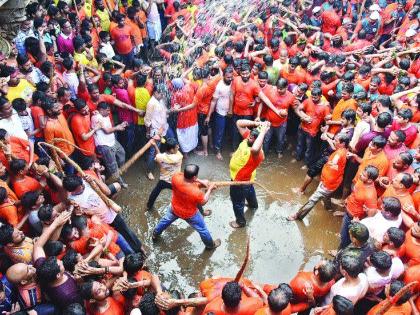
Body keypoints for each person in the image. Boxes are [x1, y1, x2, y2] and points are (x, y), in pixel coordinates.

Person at [152, 164, 221, 250]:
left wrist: (201, 181)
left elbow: (189, 181)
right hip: (189, 214)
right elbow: (203, 201)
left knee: (166, 220)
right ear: (194, 177)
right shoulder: (196, 192)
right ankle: (210, 245)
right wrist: (209, 189)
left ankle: (155, 234)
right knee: (202, 229)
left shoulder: (176, 177)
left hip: (174, 207)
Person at [288, 133, 350, 220]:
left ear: (343, 144)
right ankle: (328, 208)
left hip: (328, 184)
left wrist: (324, 183)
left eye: (336, 141)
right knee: (327, 196)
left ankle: (298, 215)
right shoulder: (343, 150)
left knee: (312, 200)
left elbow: (333, 165)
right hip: (333, 183)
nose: (334, 142)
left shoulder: (339, 155)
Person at [229, 120, 270, 228]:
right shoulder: (249, 138)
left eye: (252, 137)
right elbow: (238, 123)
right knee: (250, 192)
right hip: (248, 179)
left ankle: (240, 222)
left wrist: (263, 131)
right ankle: (253, 206)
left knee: (237, 202)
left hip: (240, 182)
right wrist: (256, 124)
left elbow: (256, 148)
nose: (249, 137)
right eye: (250, 135)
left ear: (259, 140)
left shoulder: (257, 153)